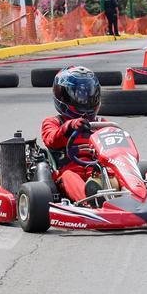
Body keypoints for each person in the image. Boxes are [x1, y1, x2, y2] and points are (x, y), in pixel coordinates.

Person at [41, 66, 105, 203]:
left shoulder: (101, 123)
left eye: (89, 94)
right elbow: (51, 140)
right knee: (69, 176)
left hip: (97, 170)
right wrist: (69, 126)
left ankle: (134, 193)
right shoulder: (53, 122)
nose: (85, 100)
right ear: (63, 97)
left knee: (114, 173)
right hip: (69, 170)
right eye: (79, 95)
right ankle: (89, 201)